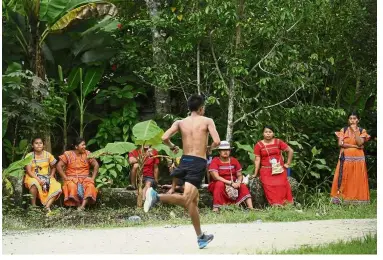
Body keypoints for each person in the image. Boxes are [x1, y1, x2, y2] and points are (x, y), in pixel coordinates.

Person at [143, 94, 221, 249]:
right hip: (198, 162)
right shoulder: (207, 121)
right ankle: (156, 197)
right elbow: (217, 141)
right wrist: (209, 148)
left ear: (189, 108)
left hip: (184, 161)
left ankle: (201, 237)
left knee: (193, 202)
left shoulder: (180, 122)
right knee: (186, 199)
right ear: (201, 108)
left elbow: (165, 137)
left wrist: (172, 146)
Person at [330, 112, 370, 204]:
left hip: (358, 159)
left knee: (356, 177)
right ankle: (341, 199)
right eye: (351, 118)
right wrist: (354, 146)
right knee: (344, 176)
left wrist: (355, 131)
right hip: (345, 158)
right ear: (348, 120)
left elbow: (360, 143)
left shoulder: (361, 130)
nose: (352, 120)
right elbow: (340, 143)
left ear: (358, 120)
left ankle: (358, 200)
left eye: (354, 118)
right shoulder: (343, 130)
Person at [252, 126, 294, 206]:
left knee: (282, 184)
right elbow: (257, 160)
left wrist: (287, 163)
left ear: (273, 133)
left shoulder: (278, 142)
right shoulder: (258, 145)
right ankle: (276, 204)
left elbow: (290, 150)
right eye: (266, 132)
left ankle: (286, 204)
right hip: (266, 170)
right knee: (269, 185)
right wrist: (255, 173)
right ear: (263, 133)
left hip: (279, 169)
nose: (268, 134)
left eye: (270, 132)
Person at [208, 141, 253, 212]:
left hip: (233, 183)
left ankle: (251, 208)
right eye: (223, 150)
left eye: (227, 150)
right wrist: (230, 183)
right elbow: (216, 177)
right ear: (219, 152)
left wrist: (238, 182)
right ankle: (216, 208)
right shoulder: (215, 161)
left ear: (230, 151)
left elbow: (239, 175)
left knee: (242, 186)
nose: (225, 152)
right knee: (219, 184)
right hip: (219, 182)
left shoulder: (234, 161)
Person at [56, 137, 99, 211]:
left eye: (85, 145)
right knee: (71, 186)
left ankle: (82, 206)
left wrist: (93, 178)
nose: (84, 147)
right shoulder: (68, 154)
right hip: (71, 178)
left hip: (85, 178)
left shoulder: (88, 153)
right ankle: (78, 205)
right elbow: (58, 166)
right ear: (76, 147)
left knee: (91, 186)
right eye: (82, 145)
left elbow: (96, 165)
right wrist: (65, 178)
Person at [24, 137, 62, 214]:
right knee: (33, 184)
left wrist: (51, 175)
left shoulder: (48, 155)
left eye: (40, 143)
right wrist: (38, 179)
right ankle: (33, 206)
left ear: (43, 145)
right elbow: (28, 171)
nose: (38, 145)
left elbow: (54, 167)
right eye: (36, 143)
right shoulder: (29, 155)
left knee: (56, 185)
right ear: (32, 145)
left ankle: (47, 207)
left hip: (46, 176)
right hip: (32, 176)